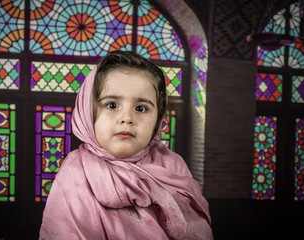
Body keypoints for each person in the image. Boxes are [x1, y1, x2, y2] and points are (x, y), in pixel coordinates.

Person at [39, 51, 213, 240]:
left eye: (141, 108)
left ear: (159, 118)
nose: (127, 119)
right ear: (88, 111)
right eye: (112, 105)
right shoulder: (76, 173)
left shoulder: (173, 166)